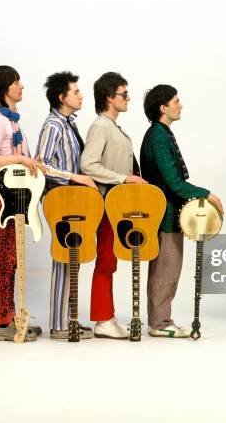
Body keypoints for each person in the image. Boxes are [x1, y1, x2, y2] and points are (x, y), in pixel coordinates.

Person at [140, 84, 223, 337]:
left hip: (169, 211)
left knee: (168, 267)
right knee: (166, 268)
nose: (180, 105)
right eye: (176, 101)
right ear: (163, 108)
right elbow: (173, 181)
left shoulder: (161, 133)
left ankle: (160, 320)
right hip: (164, 214)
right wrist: (206, 193)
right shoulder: (158, 136)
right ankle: (160, 324)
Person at [0, 65, 43, 342]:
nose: (22, 86)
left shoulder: (11, 120)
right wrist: (18, 159)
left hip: (18, 193)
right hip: (4, 194)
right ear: (5, 87)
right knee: (5, 258)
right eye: (17, 82)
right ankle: (1, 322)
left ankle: (13, 317)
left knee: (13, 258)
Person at [80, 71, 146, 339]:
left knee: (110, 259)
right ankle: (102, 319)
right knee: (106, 258)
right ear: (109, 97)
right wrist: (124, 178)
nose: (128, 98)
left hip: (118, 203)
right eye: (123, 94)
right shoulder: (101, 126)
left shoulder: (113, 126)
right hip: (107, 202)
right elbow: (88, 165)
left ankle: (107, 315)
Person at [35, 71, 97, 340]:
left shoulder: (68, 124)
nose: (81, 95)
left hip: (74, 199)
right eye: (76, 91)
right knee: (63, 257)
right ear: (62, 97)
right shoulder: (54, 125)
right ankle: (59, 325)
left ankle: (69, 319)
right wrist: (75, 176)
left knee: (74, 256)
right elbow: (41, 166)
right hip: (61, 199)